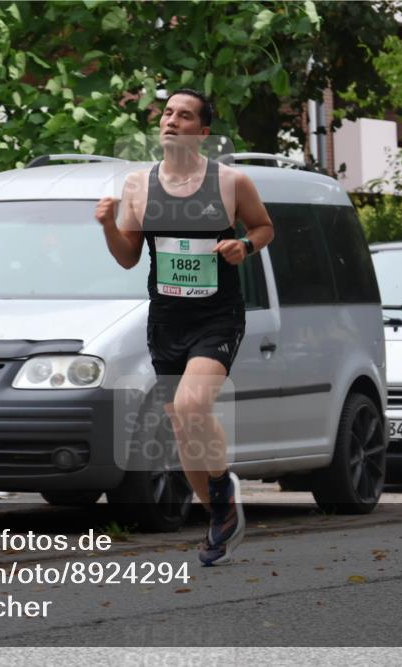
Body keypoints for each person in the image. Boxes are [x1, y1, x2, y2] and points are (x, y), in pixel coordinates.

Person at [95, 89, 274, 565]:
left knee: (192, 406)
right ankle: (220, 514)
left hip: (217, 317)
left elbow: (263, 227)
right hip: (166, 319)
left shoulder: (230, 182)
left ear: (203, 132)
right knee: (182, 425)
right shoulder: (139, 185)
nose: (172, 120)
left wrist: (244, 247)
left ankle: (221, 487)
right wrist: (109, 226)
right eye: (168, 113)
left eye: (185, 115)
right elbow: (128, 256)